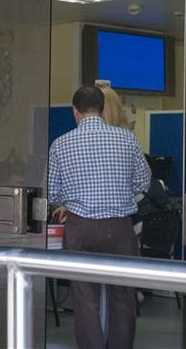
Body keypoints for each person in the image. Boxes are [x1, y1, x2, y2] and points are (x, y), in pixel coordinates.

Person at [48, 85, 151, 349]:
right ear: (103, 108)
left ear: (75, 111)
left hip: (79, 228)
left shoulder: (60, 144)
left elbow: (53, 193)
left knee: (85, 301)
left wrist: (71, 201)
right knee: (123, 297)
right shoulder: (127, 139)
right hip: (119, 230)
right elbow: (143, 182)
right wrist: (116, 191)